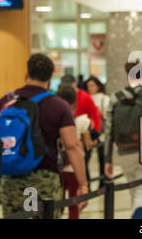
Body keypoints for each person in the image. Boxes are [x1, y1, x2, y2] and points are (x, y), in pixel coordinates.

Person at [0, 54, 88, 217]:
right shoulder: (59, 105)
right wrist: (83, 184)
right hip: (44, 178)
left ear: (27, 74)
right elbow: (72, 146)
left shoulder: (5, 101)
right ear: (50, 76)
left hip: (10, 178)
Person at [104, 61, 142, 215]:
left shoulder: (115, 98)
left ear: (127, 76)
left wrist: (108, 159)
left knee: (134, 189)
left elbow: (108, 131)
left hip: (123, 151)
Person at [57, 84, 92, 219]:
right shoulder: (81, 120)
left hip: (58, 167)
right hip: (73, 168)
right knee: (73, 203)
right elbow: (85, 145)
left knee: (58, 202)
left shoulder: (55, 118)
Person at [61, 74, 102, 186]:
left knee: (82, 162)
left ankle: (85, 185)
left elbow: (95, 114)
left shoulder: (84, 96)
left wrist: (96, 133)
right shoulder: (61, 95)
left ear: (74, 84)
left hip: (83, 133)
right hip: (68, 133)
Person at [85, 76, 110, 186]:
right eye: (88, 86)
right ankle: (87, 182)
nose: (90, 88)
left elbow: (108, 116)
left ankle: (103, 183)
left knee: (102, 158)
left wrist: (99, 113)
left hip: (101, 132)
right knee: (85, 157)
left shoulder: (104, 98)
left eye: (92, 85)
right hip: (88, 131)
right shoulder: (86, 98)